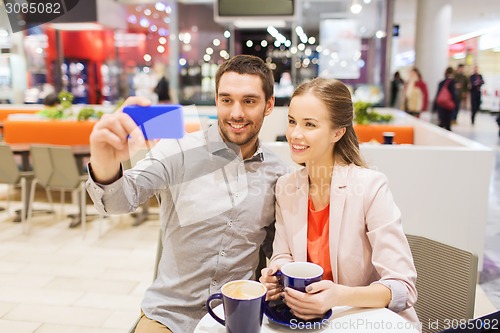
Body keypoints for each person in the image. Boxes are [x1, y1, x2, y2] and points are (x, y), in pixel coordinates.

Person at [86, 55, 289, 333]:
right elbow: (119, 201)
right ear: (216, 100)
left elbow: (279, 250)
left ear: (268, 105)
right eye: (226, 100)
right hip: (169, 316)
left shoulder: (278, 174)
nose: (236, 113)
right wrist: (106, 161)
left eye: (249, 101)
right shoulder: (178, 149)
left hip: (236, 317)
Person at [259, 77, 418, 324]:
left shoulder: (370, 187)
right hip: (309, 321)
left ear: (338, 132)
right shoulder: (286, 186)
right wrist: (278, 274)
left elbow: (402, 287)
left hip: (366, 323)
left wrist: (339, 296)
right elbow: (283, 254)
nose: (295, 134)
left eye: (309, 125)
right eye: (292, 122)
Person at [434, 67, 459, 131]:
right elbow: (454, 94)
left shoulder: (441, 83)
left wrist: (434, 106)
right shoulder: (452, 83)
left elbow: (437, 94)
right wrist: (456, 104)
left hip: (441, 105)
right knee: (447, 125)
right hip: (448, 105)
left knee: (442, 123)